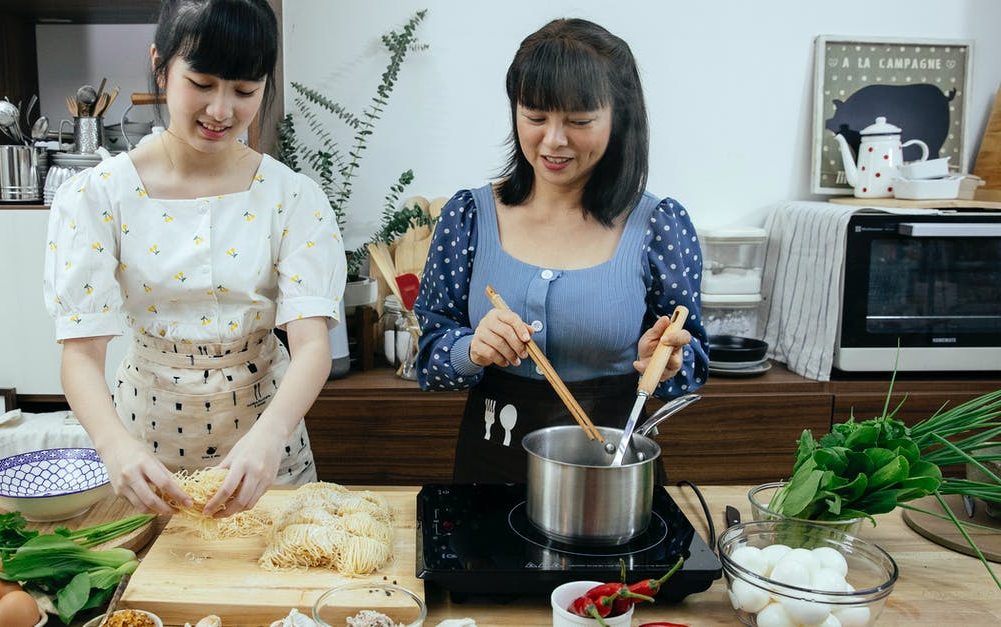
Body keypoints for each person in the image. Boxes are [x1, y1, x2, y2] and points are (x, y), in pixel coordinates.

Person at [44, 0, 345, 517]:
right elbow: (81, 353)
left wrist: (271, 436)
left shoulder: (292, 196)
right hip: (148, 446)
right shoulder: (97, 196)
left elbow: (312, 343)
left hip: (267, 443)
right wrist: (114, 446)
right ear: (160, 65)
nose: (222, 111)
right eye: (202, 84)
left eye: (245, 91)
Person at [414, 18, 708, 484]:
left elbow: (692, 367)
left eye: (579, 121)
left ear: (619, 116)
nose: (553, 140)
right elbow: (428, 356)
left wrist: (665, 360)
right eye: (535, 117)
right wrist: (472, 349)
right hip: (489, 469)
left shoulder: (659, 225)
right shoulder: (467, 216)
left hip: (610, 477)